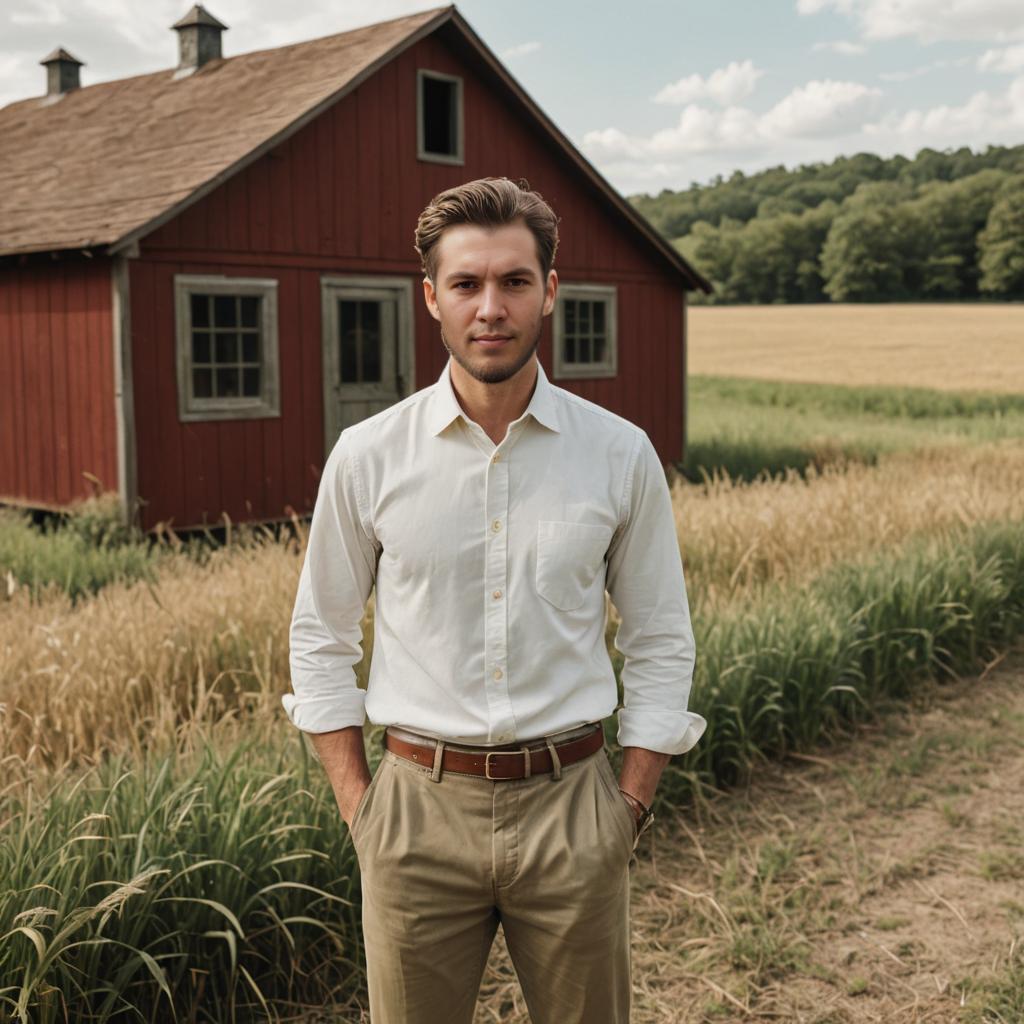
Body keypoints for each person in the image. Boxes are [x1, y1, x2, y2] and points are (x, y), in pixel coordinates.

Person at [284, 176, 706, 1023]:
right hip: (413, 813)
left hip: (575, 808)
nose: (491, 308)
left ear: (549, 292)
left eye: (514, 281)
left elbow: (661, 638)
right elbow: (320, 638)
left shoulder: (618, 454)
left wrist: (624, 806)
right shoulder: (368, 455)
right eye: (468, 284)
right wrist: (363, 810)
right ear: (431, 296)